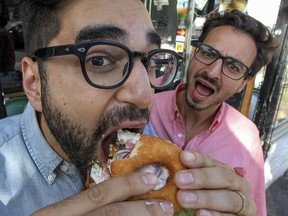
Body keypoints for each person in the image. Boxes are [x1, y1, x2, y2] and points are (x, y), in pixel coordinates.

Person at [0, 1, 256, 215]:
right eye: (99, 60)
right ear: (35, 83)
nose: (145, 96)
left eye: (150, 61)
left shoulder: (146, 141)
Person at [148, 9, 279, 216]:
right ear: (194, 53)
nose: (211, 72)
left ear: (243, 84)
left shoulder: (246, 138)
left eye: (233, 67)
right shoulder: (146, 108)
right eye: (208, 53)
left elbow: (253, 210)